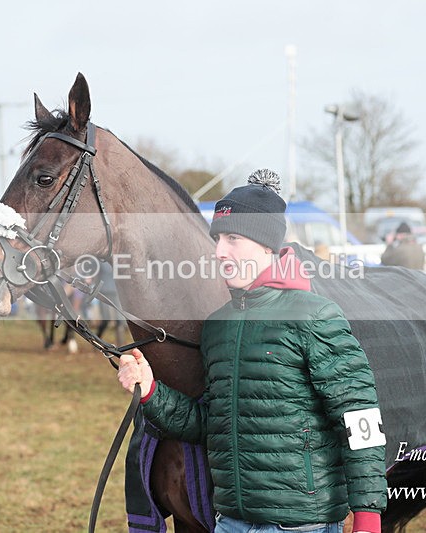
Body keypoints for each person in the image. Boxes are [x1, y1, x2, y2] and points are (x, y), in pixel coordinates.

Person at [118, 169, 387, 533]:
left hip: (302, 525)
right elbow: (211, 424)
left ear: (266, 246)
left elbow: (359, 418)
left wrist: (368, 516)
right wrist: (151, 389)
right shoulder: (217, 326)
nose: (219, 252)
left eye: (232, 238)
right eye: (217, 239)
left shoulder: (316, 316)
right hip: (230, 522)